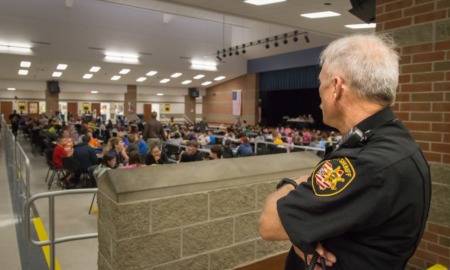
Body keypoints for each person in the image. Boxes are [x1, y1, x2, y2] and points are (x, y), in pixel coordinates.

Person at [259, 34, 431, 270]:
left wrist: (293, 184)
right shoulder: (392, 141)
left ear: (337, 87)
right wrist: (304, 235)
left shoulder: (367, 162)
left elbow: (270, 223)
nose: (318, 93)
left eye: (321, 82)